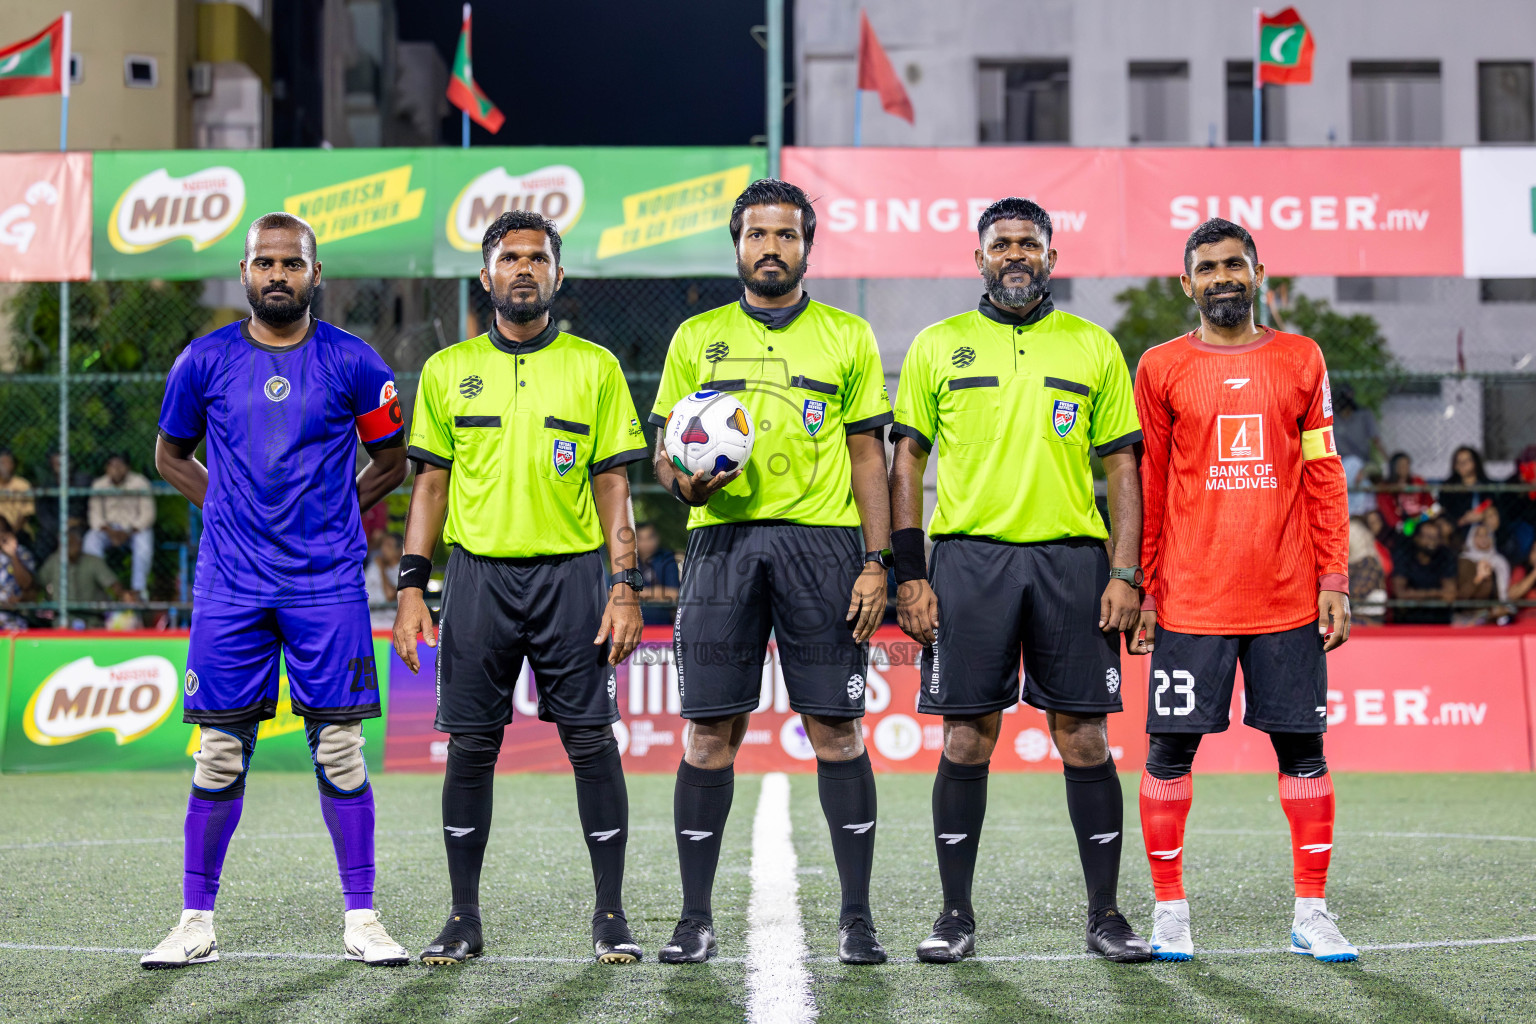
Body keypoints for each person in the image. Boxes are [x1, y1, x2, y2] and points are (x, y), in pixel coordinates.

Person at [142, 212, 411, 969]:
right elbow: (169, 454)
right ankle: (195, 921)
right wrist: (224, 505)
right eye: (265, 263)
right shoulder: (201, 361)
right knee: (220, 755)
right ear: (245, 272)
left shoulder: (356, 362)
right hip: (232, 584)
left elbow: (390, 462)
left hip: (326, 583)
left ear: (315, 274)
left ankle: (362, 917)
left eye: (292, 263)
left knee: (342, 749)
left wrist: (329, 514)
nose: (278, 275)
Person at [891, 197, 1150, 964]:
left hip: (1073, 561)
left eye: (1028, 244)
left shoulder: (1093, 346)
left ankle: (1106, 915)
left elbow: (1122, 467)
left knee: (1085, 737)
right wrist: (912, 574)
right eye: (1001, 243)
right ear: (978, 259)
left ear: (1050, 257)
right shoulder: (939, 347)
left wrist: (1126, 571)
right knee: (967, 738)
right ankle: (954, 915)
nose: (1014, 254)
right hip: (969, 562)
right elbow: (907, 463)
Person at [648, 179, 893, 965]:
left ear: (806, 246)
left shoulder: (848, 336)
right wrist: (682, 481)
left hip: (824, 547)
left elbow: (867, 456)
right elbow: (664, 452)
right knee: (708, 733)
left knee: (836, 730)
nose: (771, 248)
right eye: (758, 235)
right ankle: (693, 918)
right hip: (721, 543)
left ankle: (856, 918)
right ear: (738, 244)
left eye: (786, 236)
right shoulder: (697, 337)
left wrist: (877, 560)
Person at [395, 209, 649, 967]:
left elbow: (614, 486)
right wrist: (413, 586)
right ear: (487, 275)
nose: (525, 268)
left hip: (572, 578)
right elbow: (431, 489)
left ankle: (610, 914)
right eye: (510, 258)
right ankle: (462, 917)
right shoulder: (446, 370)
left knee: (590, 743)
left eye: (538, 258)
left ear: (559, 276)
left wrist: (625, 582)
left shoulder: (595, 367)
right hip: (477, 580)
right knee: (471, 748)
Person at [1134, 218, 1357, 964]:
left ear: (1260, 272)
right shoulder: (1161, 367)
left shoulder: (1302, 358)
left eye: (1236, 264)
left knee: (1305, 751)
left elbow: (1324, 473)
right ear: (1186, 281)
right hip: (1192, 599)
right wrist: (1145, 587)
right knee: (1169, 754)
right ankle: (1170, 911)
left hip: (1288, 596)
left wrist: (1335, 577)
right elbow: (1151, 484)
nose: (1223, 277)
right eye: (1208, 267)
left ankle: (1312, 911)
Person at [37, 525, 139, 629]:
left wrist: (123, 594)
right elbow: (39, 584)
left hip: (92, 619)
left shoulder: (93, 561)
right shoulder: (53, 562)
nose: (69, 547)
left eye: (72, 543)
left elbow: (112, 584)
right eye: (65, 544)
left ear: (80, 544)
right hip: (63, 619)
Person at [83, 453, 156, 597]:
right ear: (106, 468)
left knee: (144, 543)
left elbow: (148, 514)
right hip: (108, 531)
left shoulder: (140, 482)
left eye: (120, 466)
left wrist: (128, 532)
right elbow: (95, 515)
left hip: (133, 530)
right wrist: (110, 532)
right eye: (112, 466)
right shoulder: (99, 484)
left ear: (127, 467)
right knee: (90, 541)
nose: (116, 470)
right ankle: (101, 586)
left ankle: (138, 590)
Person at [1329, 383, 1384, 516]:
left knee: (1361, 474)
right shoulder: (1330, 417)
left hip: (1362, 464)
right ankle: (1346, 513)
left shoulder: (1364, 415)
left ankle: (1358, 514)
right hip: (1337, 465)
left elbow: (1376, 441)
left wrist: (1385, 463)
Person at [1391, 518, 1457, 625]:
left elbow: (1450, 595)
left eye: (1435, 538)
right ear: (1417, 538)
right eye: (1428, 537)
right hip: (1408, 621)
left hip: (1440, 620)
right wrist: (1436, 593)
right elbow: (1400, 594)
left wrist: (1414, 594)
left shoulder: (1445, 555)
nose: (1432, 542)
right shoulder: (1405, 555)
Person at [1456, 522, 1510, 625]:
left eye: (1487, 535)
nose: (1484, 538)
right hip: (1467, 616)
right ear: (1471, 538)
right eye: (1479, 535)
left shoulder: (1500, 562)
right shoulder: (1464, 561)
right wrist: (1479, 578)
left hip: (1492, 616)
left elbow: (1504, 595)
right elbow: (1461, 597)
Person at [1439, 446, 1494, 540]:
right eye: (1459, 461)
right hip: (1457, 527)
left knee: (1492, 514)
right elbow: (1443, 508)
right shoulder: (1448, 486)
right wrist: (1460, 520)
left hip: (1482, 526)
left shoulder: (1487, 485)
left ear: (1475, 463)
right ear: (1455, 466)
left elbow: (1491, 502)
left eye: (1467, 461)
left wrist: (1481, 514)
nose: (1462, 464)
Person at [634, 521, 680, 626]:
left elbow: (675, 594)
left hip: (664, 625)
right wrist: (658, 592)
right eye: (641, 538)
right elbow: (614, 593)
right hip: (633, 624)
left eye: (650, 537)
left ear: (657, 538)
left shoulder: (667, 558)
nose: (646, 543)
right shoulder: (628, 560)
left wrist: (636, 593)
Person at [1376, 453, 1432, 533]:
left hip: (1422, 519)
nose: (1404, 467)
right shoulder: (1386, 488)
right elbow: (1389, 514)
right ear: (1394, 467)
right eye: (1401, 465)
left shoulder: (1418, 481)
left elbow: (1430, 504)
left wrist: (1424, 517)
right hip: (1401, 525)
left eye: (1407, 464)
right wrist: (1402, 525)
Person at [1347, 518, 1388, 626]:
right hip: (1343, 620)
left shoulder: (1369, 564)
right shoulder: (1345, 564)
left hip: (1367, 622)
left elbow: (1353, 595)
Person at [0, 514, 36, 632]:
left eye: (2, 531)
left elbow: (27, 584)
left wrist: (13, 555)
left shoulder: (22, 553)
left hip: (14, 617)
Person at [364, 532, 401, 630]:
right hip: (370, 622)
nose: (383, 549)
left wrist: (382, 569)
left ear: (399, 551)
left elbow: (390, 595)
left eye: (388, 545)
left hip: (389, 625)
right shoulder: (374, 566)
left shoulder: (403, 571)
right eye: (383, 545)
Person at [0, 450, 35, 542]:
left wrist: (12, 532)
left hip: (19, 530)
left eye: (8, 463)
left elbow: (27, 513)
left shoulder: (23, 485)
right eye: (2, 463)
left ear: (13, 465)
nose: (5, 467)